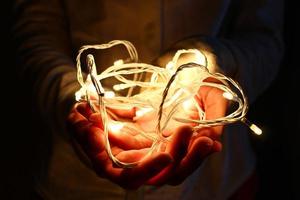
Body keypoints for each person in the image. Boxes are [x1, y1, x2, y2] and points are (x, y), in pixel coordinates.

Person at [12, 0, 283, 199]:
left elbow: (266, 39)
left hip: (219, 185)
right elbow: (37, 30)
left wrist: (210, 59)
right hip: (72, 184)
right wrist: (70, 97)